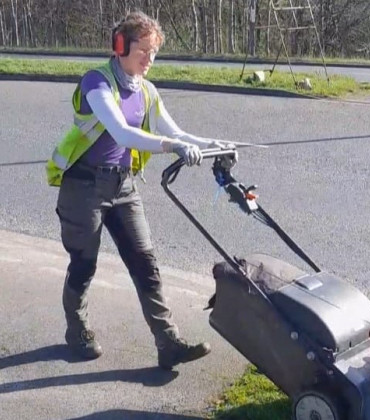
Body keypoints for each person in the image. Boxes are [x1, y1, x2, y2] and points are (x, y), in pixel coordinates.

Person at [45, 11, 236, 370]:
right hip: (83, 187)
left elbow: (176, 132)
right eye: (143, 51)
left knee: (146, 264)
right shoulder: (96, 84)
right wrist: (171, 147)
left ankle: (168, 343)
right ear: (120, 46)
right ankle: (77, 329)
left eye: (155, 52)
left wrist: (213, 144)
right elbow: (123, 134)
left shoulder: (146, 91)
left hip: (123, 186)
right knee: (84, 265)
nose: (150, 60)